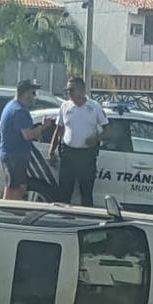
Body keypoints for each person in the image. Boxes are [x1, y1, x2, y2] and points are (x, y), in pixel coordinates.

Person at [48, 77, 109, 207]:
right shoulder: (65, 106)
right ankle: (64, 217)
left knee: (86, 193)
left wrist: (96, 139)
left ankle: (85, 217)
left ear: (82, 90)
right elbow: (59, 129)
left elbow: (107, 130)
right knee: (64, 192)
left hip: (86, 155)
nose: (68, 93)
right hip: (68, 154)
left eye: (71, 90)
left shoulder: (94, 107)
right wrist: (52, 150)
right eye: (67, 90)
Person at [0, 79, 54, 200]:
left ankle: (12, 208)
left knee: (17, 187)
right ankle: (8, 209)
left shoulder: (11, 106)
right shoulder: (19, 111)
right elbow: (28, 135)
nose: (34, 97)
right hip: (15, 156)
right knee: (14, 189)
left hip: (12, 155)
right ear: (24, 93)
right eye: (32, 93)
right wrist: (44, 127)